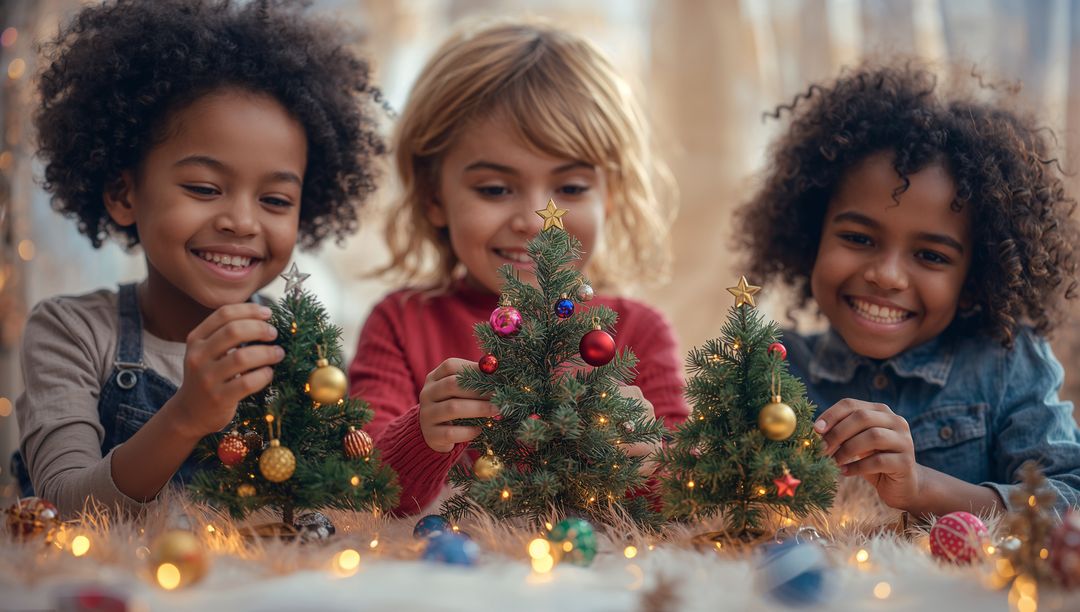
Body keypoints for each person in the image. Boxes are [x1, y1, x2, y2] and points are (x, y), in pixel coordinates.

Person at [14, 0, 385, 516]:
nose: (243, 222)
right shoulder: (71, 332)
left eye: (275, 200)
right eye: (205, 187)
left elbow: (340, 509)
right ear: (124, 193)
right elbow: (63, 507)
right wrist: (187, 415)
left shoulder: (304, 352)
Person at [349, 20, 688, 515]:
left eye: (570, 188)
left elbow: (687, 501)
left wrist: (651, 462)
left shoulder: (638, 332)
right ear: (433, 197)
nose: (535, 221)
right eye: (494, 189)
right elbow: (364, 494)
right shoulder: (400, 323)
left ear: (610, 196)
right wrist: (424, 433)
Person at [736, 62, 1080, 516]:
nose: (887, 275)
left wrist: (922, 488)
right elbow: (708, 486)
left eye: (931, 256)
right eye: (859, 239)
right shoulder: (775, 366)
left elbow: (1070, 501)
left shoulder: (1007, 366)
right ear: (808, 233)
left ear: (975, 278)